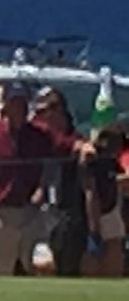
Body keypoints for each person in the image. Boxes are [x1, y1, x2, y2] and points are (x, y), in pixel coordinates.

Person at [0, 85, 67, 276]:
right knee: (1, 272)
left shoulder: (39, 135)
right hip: (0, 214)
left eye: (23, 103)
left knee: (39, 268)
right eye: (15, 103)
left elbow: (60, 151)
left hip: (31, 213)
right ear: (5, 105)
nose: (19, 108)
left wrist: (42, 187)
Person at [33, 89, 88, 278]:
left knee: (66, 262)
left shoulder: (77, 139)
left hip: (68, 210)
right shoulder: (38, 138)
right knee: (36, 263)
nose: (40, 117)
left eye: (44, 111)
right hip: (38, 210)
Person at [83, 123, 126, 278]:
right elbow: (91, 194)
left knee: (115, 257)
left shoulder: (112, 163)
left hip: (113, 210)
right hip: (98, 216)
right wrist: (94, 230)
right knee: (94, 262)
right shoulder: (93, 163)